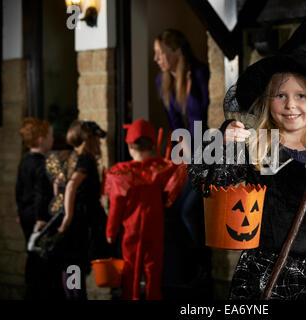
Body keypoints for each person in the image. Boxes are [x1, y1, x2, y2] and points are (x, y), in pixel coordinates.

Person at [188, 1, 306, 300]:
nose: (290, 105)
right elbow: (204, 181)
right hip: (260, 274)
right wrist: (222, 142)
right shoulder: (258, 148)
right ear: (267, 101)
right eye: (280, 95)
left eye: (301, 95)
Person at [154, 29, 212, 298]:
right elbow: (176, 125)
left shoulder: (199, 74)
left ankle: (205, 267)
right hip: (188, 154)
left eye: (160, 53)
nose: (156, 59)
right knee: (177, 209)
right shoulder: (161, 82)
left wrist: (197, 155)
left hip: (210, 152)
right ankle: (194, 267)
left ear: (176, 51)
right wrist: (186, 154)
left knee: (189, 210)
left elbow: (204, 117)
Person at [104, 118, 185, 300]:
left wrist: (111, 231)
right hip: (154, 229)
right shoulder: (160, 170)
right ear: (151, 146)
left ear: (130, 147)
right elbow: (171, 190)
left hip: (131, 231)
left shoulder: (122, 174)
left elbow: (116, 205)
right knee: (153, 271)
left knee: (130, 270)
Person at [57, 120, 110, 300]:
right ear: (88, 140)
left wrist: (62, 208)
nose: (100, 143)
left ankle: (73, 296)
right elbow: (71, 186)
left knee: (72, 266)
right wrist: (69, 215)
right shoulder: (85, 161)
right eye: (97, 138)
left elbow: (59, 183)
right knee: (75, 265)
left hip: (77, 221)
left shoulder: (71, 158)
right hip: (79, 223)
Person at [16, 117, 57, 299]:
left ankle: (32, 290)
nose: (52, 140)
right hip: (38, 218)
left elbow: (19, 189)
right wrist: (41, 218)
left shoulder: (24, 161)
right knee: (40, 260)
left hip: (26, 214)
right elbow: (41, 194)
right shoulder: (42, 165)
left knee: (31, 253)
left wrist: (20, 212)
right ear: (41, 139)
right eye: (50, 136)